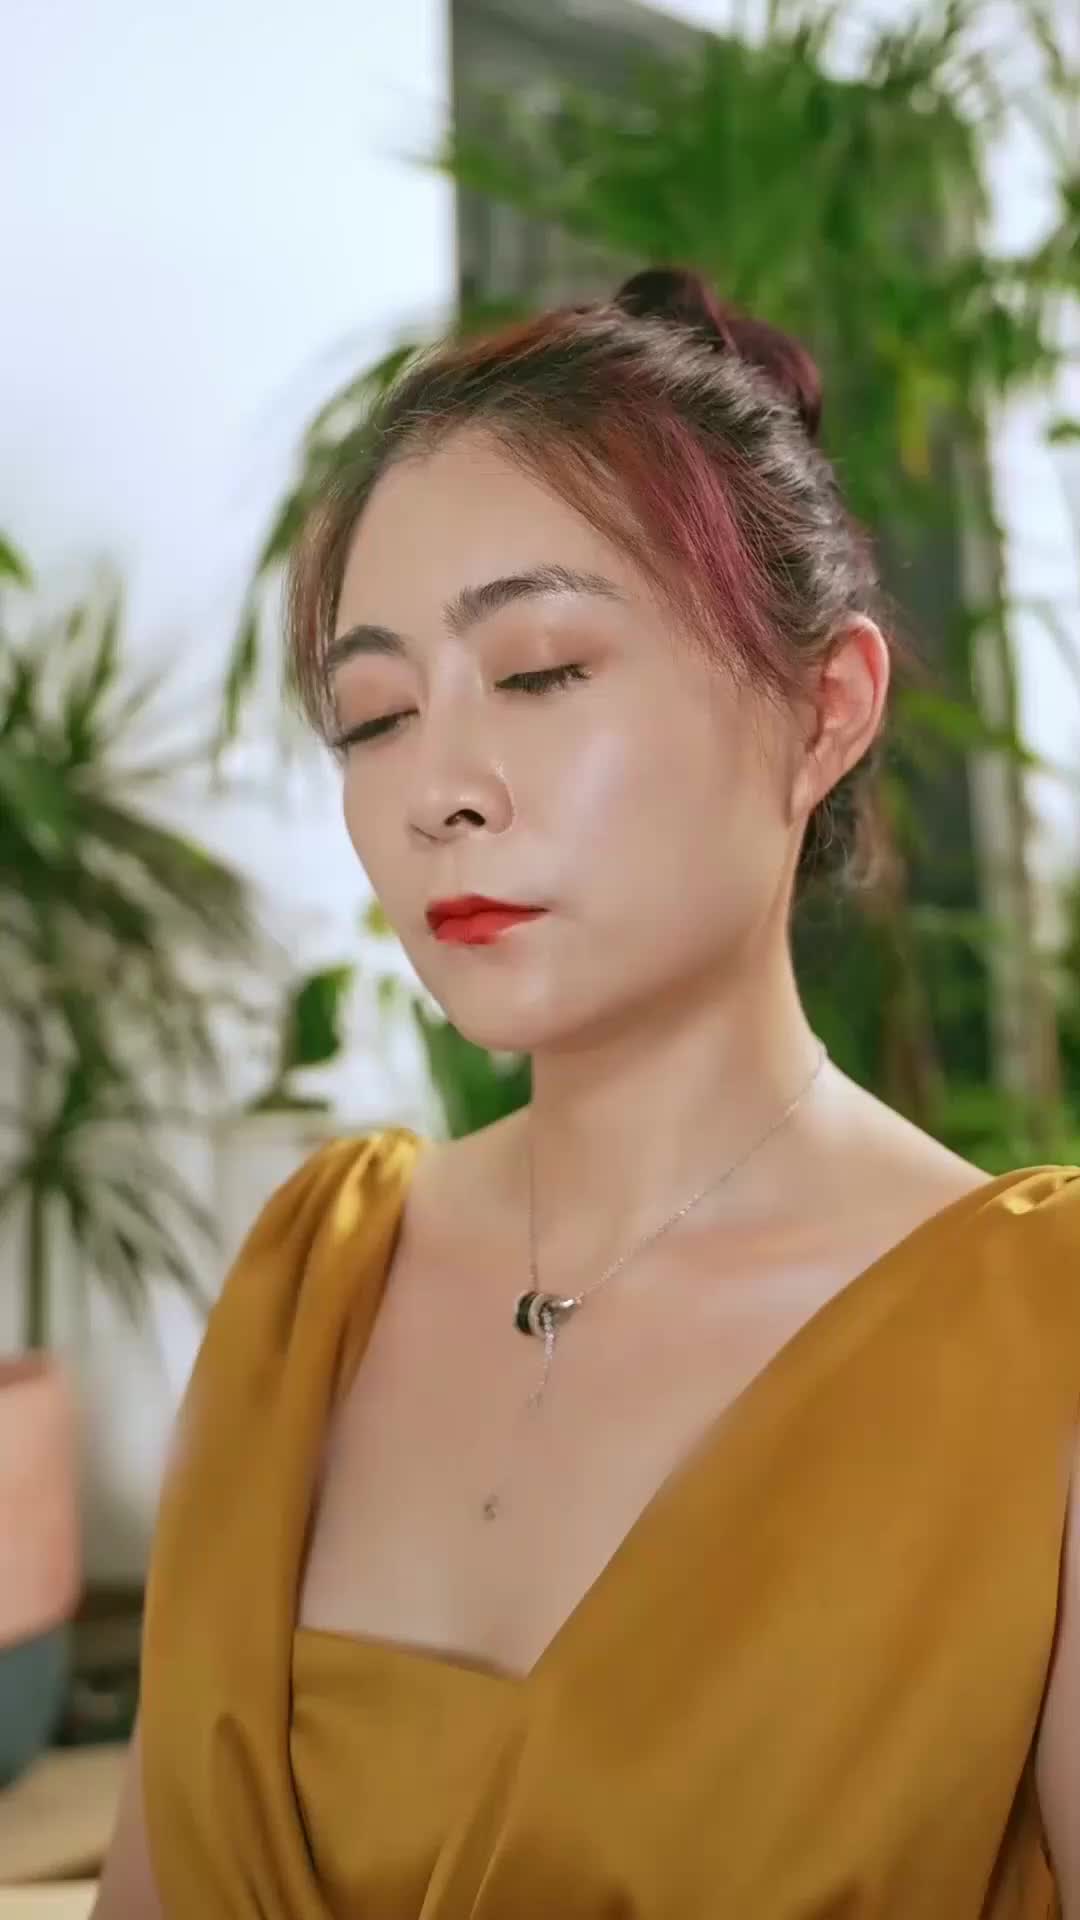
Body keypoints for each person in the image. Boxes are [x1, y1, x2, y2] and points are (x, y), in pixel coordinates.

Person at [93, 268, 1079, 1919]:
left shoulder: (1039, 1345)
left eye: (542, 671)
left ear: (823, 710)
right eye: (374, 715)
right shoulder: (308, 1287)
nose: (439, 791)